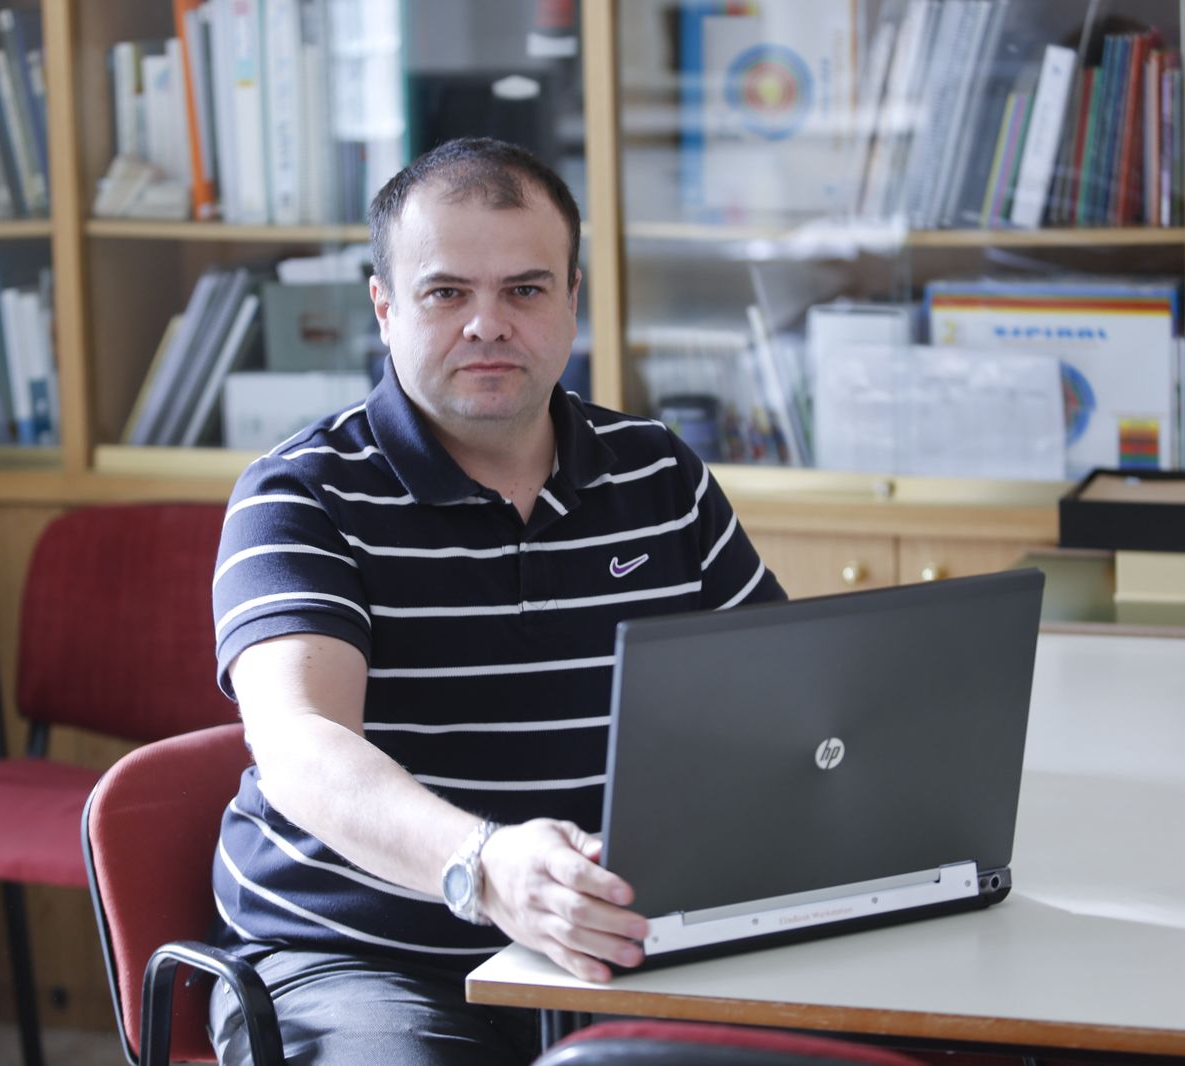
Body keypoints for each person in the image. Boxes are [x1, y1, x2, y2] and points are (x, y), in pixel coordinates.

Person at [208, 137, 786, 1065]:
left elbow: (784, 698)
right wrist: (483, 868)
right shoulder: (301, 495)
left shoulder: (658, 475)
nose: (489, 324)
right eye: (446, 293)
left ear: (571, 300)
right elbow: (303, 750)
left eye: (524, 288)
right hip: (360, 961)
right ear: (384, 307)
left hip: (614, 942)